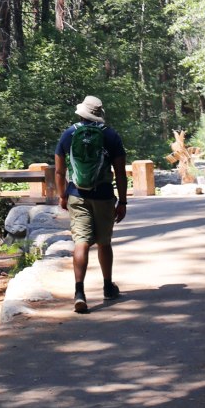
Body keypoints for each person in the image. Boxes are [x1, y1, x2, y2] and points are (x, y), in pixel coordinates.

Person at [54, 95, 127, 314]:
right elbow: (120, 172)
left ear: (81, 112)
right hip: (104, 195)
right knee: (104, 242)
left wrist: (62, 195)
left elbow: (59, 170)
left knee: (81, 241)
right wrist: (122, 201)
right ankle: (107, 287)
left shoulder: (69, 134)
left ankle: (79, 293)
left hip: (77, 194)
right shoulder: (111, 136)